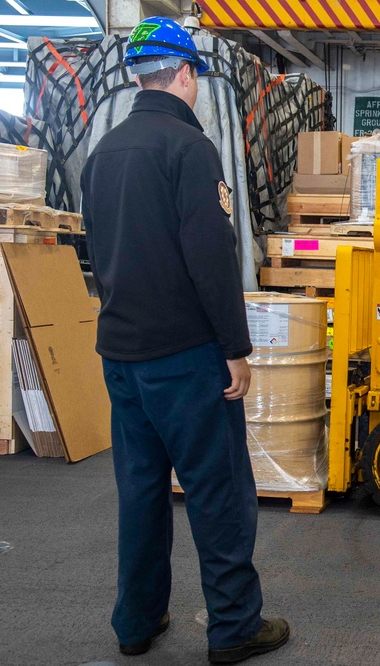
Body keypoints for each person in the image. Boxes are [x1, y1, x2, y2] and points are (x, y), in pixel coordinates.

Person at [80, 17, 289, 664]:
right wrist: (236, 348)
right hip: (187, 360)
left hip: (122, 356)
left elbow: (99, 253)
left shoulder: (102, 155)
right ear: (185, 74)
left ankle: (135, 622)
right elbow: (210, 258)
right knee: (218, 493)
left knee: (141, 492)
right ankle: (233, 628)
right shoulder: (189, 151)